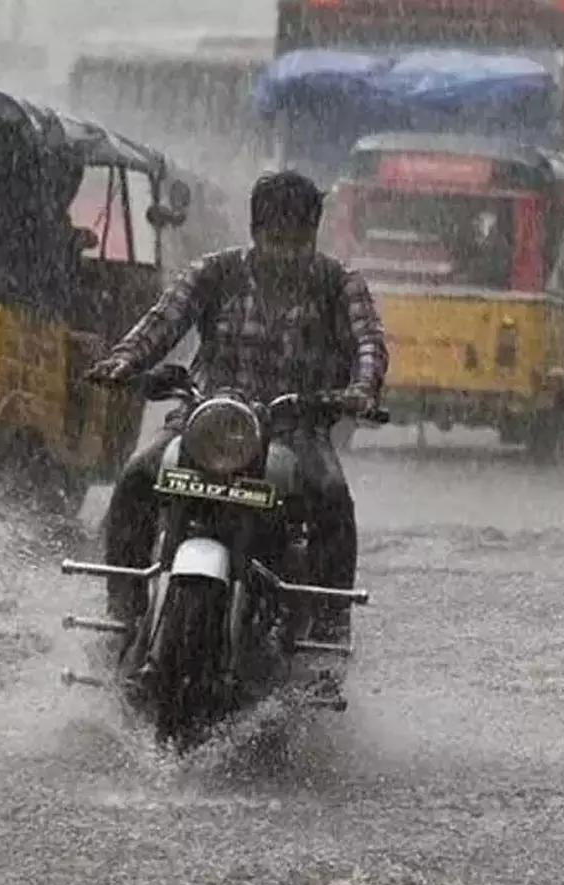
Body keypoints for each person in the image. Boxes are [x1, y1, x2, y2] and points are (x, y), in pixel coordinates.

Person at [85, 170, 388, 646]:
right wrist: (124, 360)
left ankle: (330, 632)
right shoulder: (214, 272)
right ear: (255, 232)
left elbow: (368, 342)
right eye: (275, 239)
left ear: (313, 235)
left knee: (332, 499)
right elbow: (162, 322)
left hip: (294, 430)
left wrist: (362, 389)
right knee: (136, 480)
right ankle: (122, 612)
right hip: (204, 419)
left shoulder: (339, 284)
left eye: (297, 241)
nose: (285, 252)